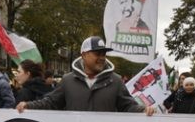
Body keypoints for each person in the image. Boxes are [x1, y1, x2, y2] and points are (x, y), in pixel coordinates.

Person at [16, 36, 155, 115]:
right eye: (97, 53)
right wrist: (29, 106)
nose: (102, 57)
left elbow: (127, 106)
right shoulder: (67, 81)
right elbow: (51, 103)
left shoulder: (116, 81)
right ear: (84, 54)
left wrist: (143, 109)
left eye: (104, 54)